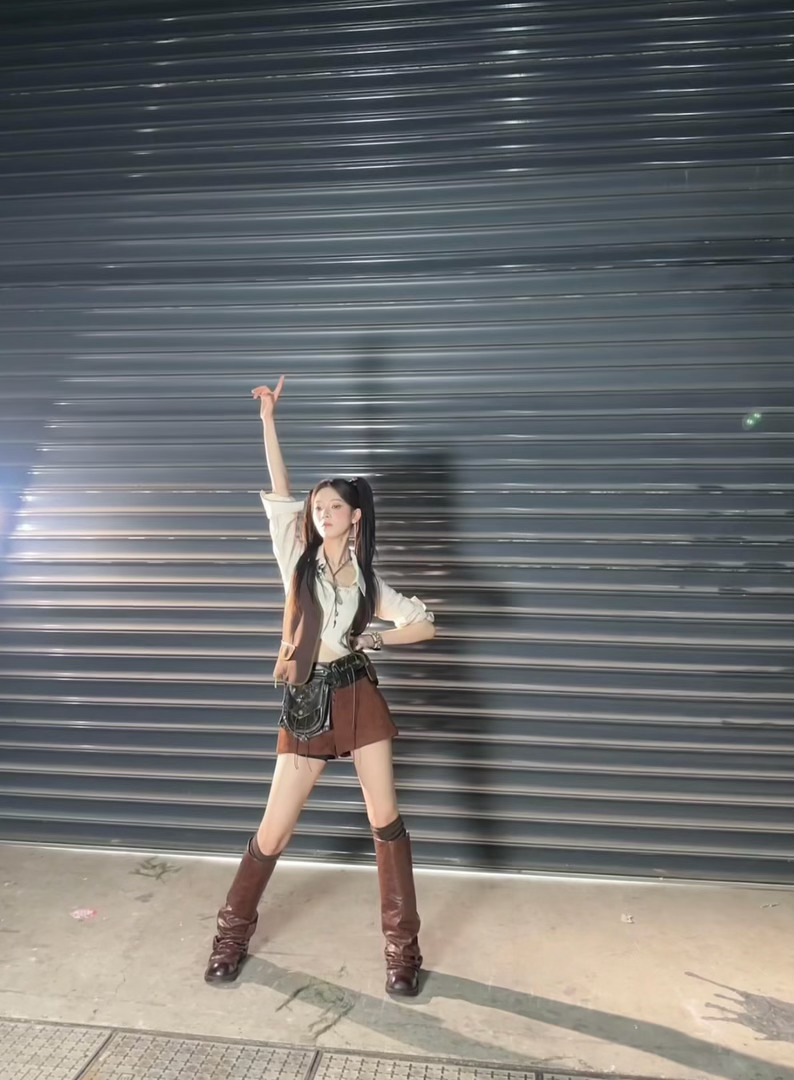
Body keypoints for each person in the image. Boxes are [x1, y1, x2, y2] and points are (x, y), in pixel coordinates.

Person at [204, 375, 436, 996]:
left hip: (358, 694)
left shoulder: (370, 582)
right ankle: (229, 937)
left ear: (354, 517)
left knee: (385, 820)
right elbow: (280, 490)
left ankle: (402, 952)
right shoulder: (297, 558)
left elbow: (424, 623)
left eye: (333, 506)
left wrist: (376, 640)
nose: (322, 513)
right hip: (308, 699)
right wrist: (268, 420)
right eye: (318, 507)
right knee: (274, 829)